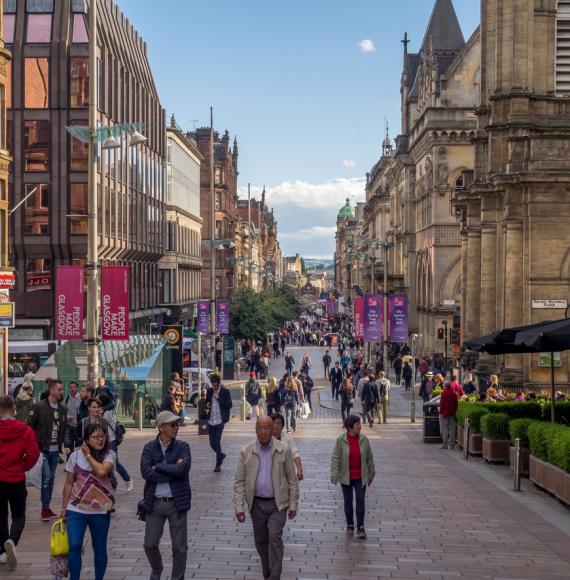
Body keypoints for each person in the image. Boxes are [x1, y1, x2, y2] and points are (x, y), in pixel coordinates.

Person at [233, 416, 299, 580]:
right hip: (257, 506)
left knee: (275, 538)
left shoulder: (283, 449)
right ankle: (268, 573)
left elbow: (292, 479)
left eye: (267, 428)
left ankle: (274, 576)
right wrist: (239, 507)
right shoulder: (246, 451)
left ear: (274, 429)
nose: (263, 431)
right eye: (260, 428)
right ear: (255, 429)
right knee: (261, 542)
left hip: (278, 504)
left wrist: (293, 504)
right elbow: (239, 482)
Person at [61, 422, 115, 580]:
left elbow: (101, 470)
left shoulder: (109, 455)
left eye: (103, 436)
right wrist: (64, 508)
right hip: (76, 508)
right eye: (96, 437)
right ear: (86, 439)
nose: (100, 440)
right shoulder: (75, 456)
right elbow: (69, 482)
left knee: (99, 548)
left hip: (100, 510)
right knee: (75, 545)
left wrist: (88, 455)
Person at [140, 411, 191, 580]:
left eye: (177, 424)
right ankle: (157, 568)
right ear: (161, 428)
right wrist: (171, 469)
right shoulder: (149, 447)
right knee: (149, 544)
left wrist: (159, 466)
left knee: (179, 547)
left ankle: (177, 577)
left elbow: (182, 470)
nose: (177, 428)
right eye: (172, 425)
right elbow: (146, 472)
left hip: (177, 503)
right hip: (154, 503)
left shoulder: (182, 447)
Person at [0, 395, 40, 569]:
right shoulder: (24, 430)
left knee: (0, 516)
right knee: (19, 516)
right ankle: (12, 540)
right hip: (16, 478)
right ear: (14, 407)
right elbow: (34, 454)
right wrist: (23, 466)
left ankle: (2, 551)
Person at [27, 379, 69, 521]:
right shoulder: (39, 406)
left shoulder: (63, 409)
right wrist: (32, 445)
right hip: (41, 449)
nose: (62, 392)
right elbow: (29, 426)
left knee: (51, 479)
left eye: (62, 390)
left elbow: (64, 429)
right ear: (52, 390)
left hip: (55, 450)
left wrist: (66, 444)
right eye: (59, 389)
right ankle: (45, 508)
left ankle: (46, 508)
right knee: (47, 476)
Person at [330, 415, 375, 539]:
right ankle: (350, 524)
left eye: (360, 424)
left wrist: (371, 473)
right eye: (357, 425)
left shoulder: (364, 439)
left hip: (361, 476)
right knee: (348, 501)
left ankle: (360, 526)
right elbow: (335, 458)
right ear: (350, 427)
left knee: (360, 501)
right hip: (346, 476)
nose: (360, 427)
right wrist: (334, 474)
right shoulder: (341, 440)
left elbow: (369, 458)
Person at [97, 393, 133, 493]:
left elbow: (102, 422)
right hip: (101, 442)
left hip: (111, 441)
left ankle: (128, 480)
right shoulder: (100, 410)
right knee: (103, 463)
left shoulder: (107, 412)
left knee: (114, 463)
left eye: (98, 399)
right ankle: (111, 483)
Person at [206, 374, 233, 472]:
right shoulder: (209, 391)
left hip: (220, 420)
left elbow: (229, 405)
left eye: (216, 386)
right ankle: (221, 455)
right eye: (213, 386)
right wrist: (208, 404)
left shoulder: (225, 392)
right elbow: (207, 402)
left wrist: (218, 398)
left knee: (217, 442)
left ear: (219, 384)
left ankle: (218, 464)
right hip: (211, 420)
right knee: (212, 443)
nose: (214, 388)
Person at [271, 413, 304, 481]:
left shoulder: (287, 438)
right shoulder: (265, 438)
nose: (276, 425)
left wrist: (299, 469)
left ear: (282, 426)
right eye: (274, 423)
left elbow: (295, 454)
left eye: (279, 423)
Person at [439, 382, 459, 449]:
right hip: (452, 414)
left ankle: (445, 445)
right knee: (452, 430)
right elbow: (456, 404)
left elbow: (442, 404)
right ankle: (452, 445)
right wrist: (454, 411)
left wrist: (441, 412)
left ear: (445, 386)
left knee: (444, 430)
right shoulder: (454, 394)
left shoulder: (443, 393)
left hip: (444, 414)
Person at [64, 382, 81, 453]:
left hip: (79, 427)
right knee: (69, 447)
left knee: (79, 448)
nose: (72, 389)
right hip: (69, 427)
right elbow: (63, 411)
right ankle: (69, 461)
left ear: (77, 388)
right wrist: (66, 417)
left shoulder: (81, 398)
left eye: (74, 387)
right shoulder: (67, 398)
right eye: (70, 387)